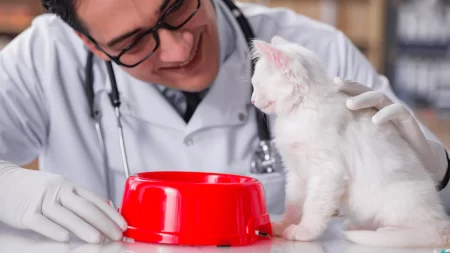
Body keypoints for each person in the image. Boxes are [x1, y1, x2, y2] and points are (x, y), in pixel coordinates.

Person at [0, 0, 448, 244]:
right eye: (133, 42)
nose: (177, 50)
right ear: (91, 45)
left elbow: (431, 223)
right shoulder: (44, 57)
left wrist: (442, 172)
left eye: (174, 7)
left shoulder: (317, 50)